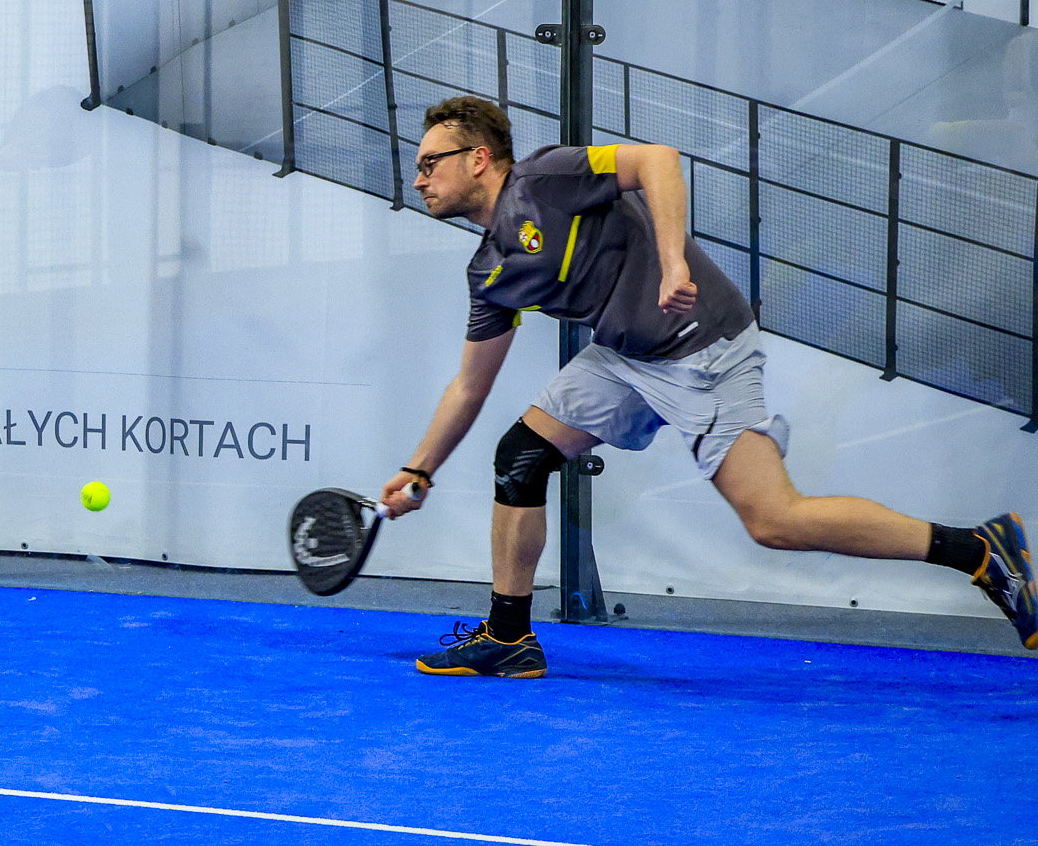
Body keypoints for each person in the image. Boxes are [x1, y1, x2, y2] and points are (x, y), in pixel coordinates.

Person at [379, 95, 1032, 677]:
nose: (419, 179)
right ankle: (511, 635)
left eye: (431, 162)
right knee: (521, 454)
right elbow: (470, 384)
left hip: (704, 348)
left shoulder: (547, 177)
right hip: (626, 356)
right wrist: (420, 469)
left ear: (480, 159)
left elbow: (658, 160)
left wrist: (670, 261)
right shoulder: (490, 271)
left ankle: (977, 548)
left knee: (773, 521)